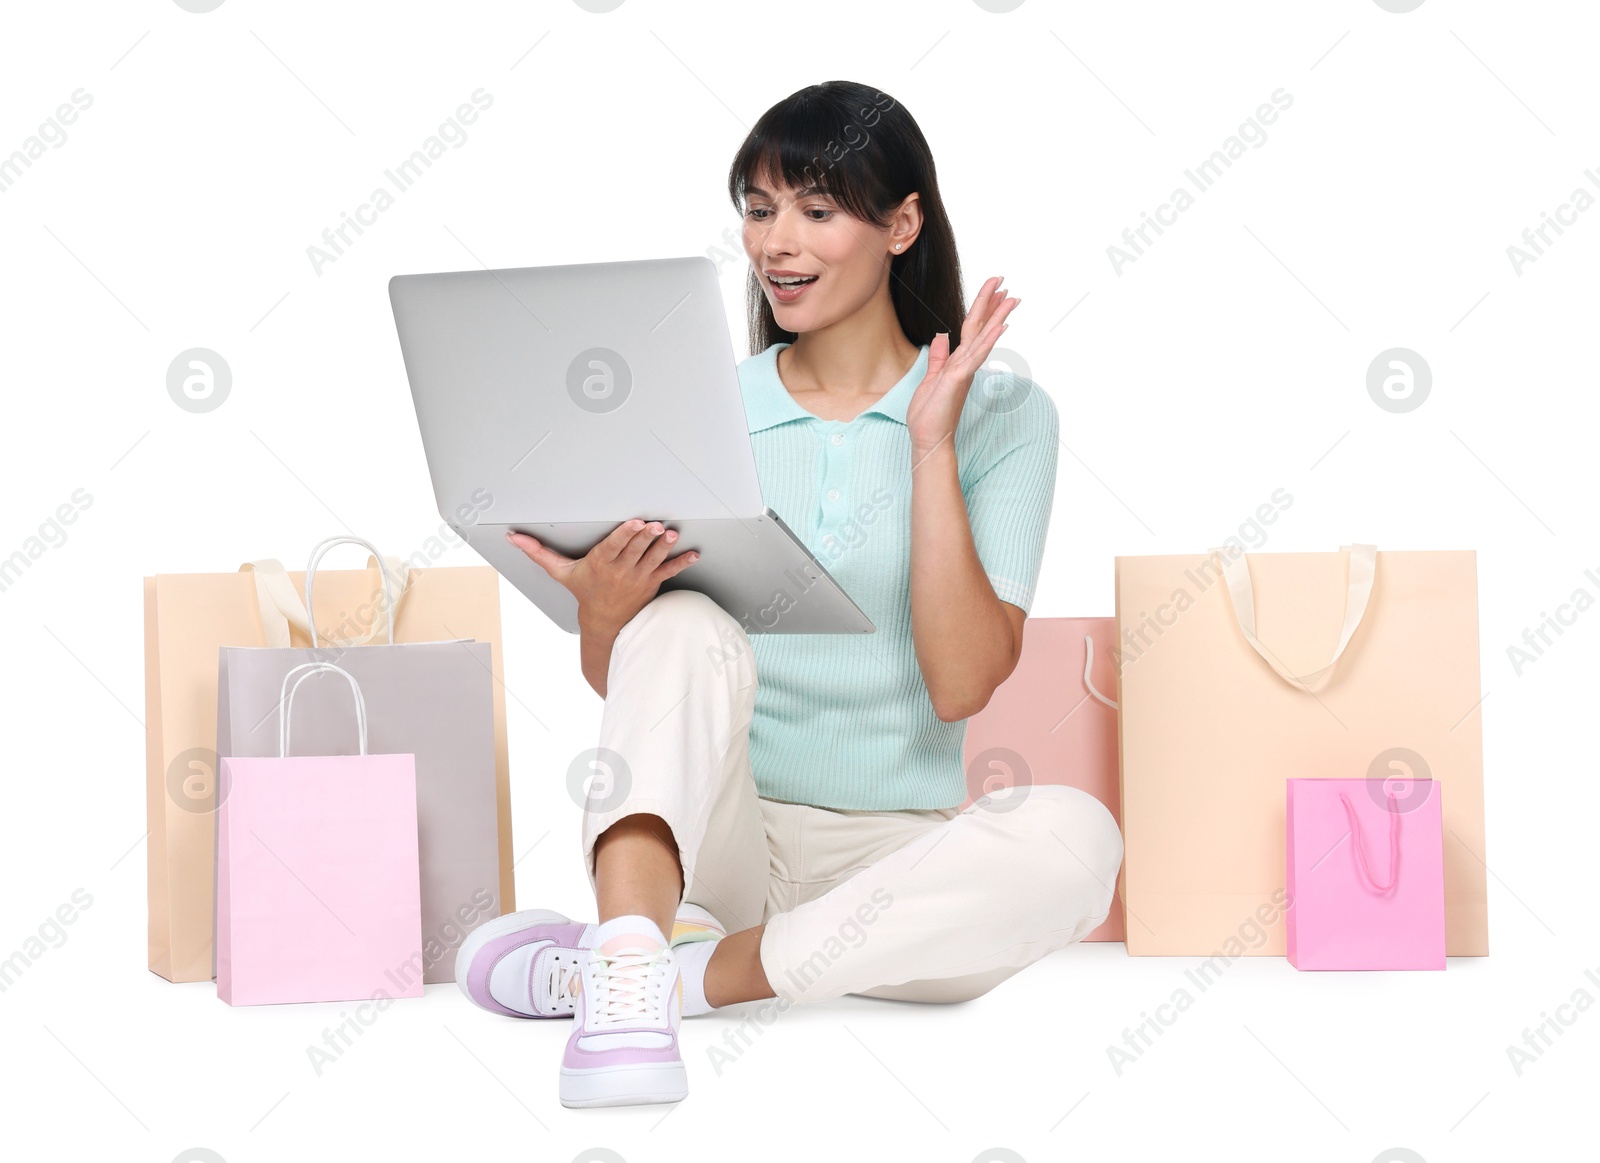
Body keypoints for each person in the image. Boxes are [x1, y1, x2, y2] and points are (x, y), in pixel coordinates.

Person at [455, 80, 1123, 1109]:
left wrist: (930, 442)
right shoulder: (703, 408)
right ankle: (637, 939)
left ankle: (643, 977)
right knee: (678, 617)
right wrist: (603, 609)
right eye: (759, 208)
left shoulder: (1003, 413)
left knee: (1080, 838)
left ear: (902, 224)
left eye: (817, 208)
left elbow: (961, 685)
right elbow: (645, 684)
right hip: (722, 841)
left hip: (897, 873)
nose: (777, 241)